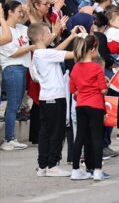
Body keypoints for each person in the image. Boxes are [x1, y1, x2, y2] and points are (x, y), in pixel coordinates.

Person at [28, 23, 83, 177]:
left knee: (46, 131)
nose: (51, 34)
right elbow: (72, 54)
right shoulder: (44, 54)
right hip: (55, 97)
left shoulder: (41, 53)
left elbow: (57, 51)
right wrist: (85, 41)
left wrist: (72, 36)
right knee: (56, 133)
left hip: (47, 98)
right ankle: (52, 165)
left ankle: (43, 166)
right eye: (48, 32)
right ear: (40, 36)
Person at [68, 35, 108, 181]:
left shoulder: (75, 68)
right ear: (92, 49)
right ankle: (97, 171)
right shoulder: (97, 68)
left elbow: (73, 90)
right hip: (96, 104)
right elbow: (103, 90)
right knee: (97, 138)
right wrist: (104, 86)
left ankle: (75, 170)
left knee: (79, 137)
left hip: (81, 105)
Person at [0, 1, 32, 151]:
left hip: (22, 68)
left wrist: (27, 10)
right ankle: (9, 139)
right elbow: (12, 53)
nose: (21, 14)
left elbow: (35, 29)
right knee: (12, 105)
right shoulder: (3, 30)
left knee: (16, 105)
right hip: (12, 68)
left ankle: (11, 138)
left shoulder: (22, 28)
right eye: (18, 11)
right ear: (10, 12)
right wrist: (31, 47)